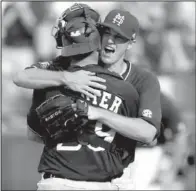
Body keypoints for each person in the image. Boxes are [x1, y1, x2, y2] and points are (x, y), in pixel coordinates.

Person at [13, 4, 162, 190]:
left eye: (119, 37)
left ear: (131, 42)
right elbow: (21, 77)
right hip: (68, 170)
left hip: (117, 177)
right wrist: (67, 78)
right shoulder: (74, 61)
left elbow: (148, 134)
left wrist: (97, 113)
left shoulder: (142, 80)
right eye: (107, 33)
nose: (110, 42)